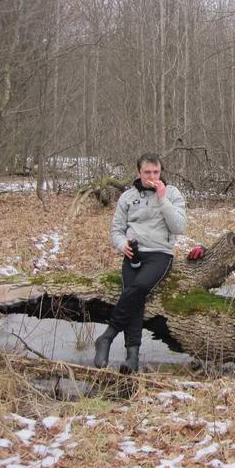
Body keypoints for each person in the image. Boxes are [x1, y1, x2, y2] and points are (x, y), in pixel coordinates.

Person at [93, 153, 186, 372]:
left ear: (161, 172)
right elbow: (116, 230)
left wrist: (162, 198)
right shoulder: (127, 197)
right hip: (133, 253)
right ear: (139, 173)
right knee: (135, 301)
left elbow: (178, 227)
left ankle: (107, 336)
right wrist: (121, 244)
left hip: (160, 253)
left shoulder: (172, 194)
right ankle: (132, 358)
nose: (152, 176)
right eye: (147, 172)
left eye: (156, 172)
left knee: (139, 288)